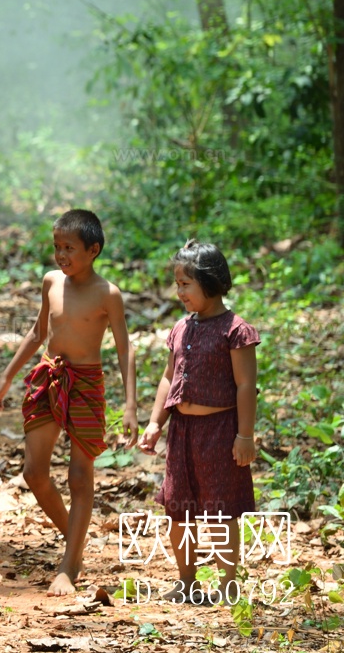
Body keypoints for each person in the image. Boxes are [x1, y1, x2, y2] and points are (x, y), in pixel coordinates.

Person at [0, 209, 137, 596]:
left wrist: (132, 403)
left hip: (86, 384)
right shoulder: (51, 281)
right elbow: (38, 332)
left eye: (69, 247)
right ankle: (75, 539)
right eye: (57, 246)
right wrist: (6, 377)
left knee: (79, 475)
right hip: (48, 377)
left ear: (93, 249)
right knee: (34, 472)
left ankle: (69, 564)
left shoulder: (108, 294)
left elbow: (124, 350)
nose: (61, 255)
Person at [138, 240, 258, 604]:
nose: (179, 292)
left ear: (210, 282)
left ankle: (228, 584)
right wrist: (156, 422)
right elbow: (167, 377)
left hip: (220, 433)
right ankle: (187, 581)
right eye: (177, 284)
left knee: (222, 512)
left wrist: (245, 436)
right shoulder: (180, 328)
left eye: (186, 284)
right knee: (179, 509)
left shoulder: (235, 330)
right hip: (182, 433)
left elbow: (246, 385)